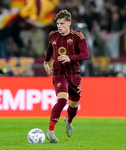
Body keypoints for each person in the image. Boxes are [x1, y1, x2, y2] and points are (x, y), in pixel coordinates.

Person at [43, 10, 89, 143]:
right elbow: (50, 49)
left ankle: (68, 121)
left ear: (69, 23)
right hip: (59, 73)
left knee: (74, 106)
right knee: (62, 101)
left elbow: (85, 54)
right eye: (57, 23)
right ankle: (50, 131)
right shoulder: (53, 36)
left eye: (62, 23)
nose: (59, 26)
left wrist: (71, 57)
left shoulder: (78, 36)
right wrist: (46, 62)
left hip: (73, 74)